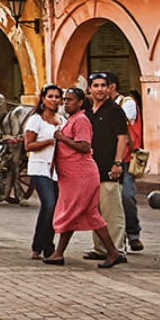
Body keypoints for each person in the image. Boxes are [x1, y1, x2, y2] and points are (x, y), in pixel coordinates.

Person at [44, 88, 124, 268]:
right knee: (85, 213)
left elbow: (84, 146)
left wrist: (62, 138)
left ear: (80, 102)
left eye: (70, 100)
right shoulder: (72, 119)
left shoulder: (81, 120)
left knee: (77, 211)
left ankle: (111, 252)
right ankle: (60, 253)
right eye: (65, 100)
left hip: (82, 176)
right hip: (72, 176)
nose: (66, 103)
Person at [84, 71, 128, 261]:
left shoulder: (115, 110)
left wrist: (117, 163)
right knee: (96, 211)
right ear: (89, 89)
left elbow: (122, 138)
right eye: (96, 85)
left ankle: (117, 249)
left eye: (103, 85)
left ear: (109, 88)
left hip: (109, 169)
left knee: (112, 211)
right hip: (91, 170)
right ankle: (101, 248)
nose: (100, 89)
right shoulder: (87, 111)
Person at [24, 84, 63, 260]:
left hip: (57, 169)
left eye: (57, 97)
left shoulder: (62, 120)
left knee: (55, 209)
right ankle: (38, 245)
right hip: (39, 167)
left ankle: (48, 246)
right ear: (43, 99)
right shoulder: (36, 120)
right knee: (49, 204)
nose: (54, 100)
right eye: (50, 96)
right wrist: (48, 142)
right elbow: (28, 145)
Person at [113, 80, 144, 252]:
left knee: (127, 197)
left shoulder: (128, 103)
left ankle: (133, 233)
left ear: (111, 87)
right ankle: (119, 239)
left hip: (126, 158)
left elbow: (122, 123)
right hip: (109, 159)